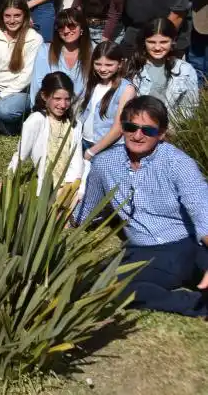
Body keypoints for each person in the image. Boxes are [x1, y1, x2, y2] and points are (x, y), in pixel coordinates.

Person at [73, 96, 208, 317]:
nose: (137, 135)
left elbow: (202, 208)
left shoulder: (177, 162)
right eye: (131, 127)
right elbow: (88, 211)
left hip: (189, 244)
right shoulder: (104, 164)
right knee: (99, 285)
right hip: (145, 251)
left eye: (148, 131)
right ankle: (194, 304)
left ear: (162, 134)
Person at [8, 70, 84, 195]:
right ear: (44, 96)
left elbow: (76, 158)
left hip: (69, 181)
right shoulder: (37, 120)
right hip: (48, 183)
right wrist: (8, 180)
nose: (63, 104)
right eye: (57, 99)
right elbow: (21, 154)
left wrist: (72, 184)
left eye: (67, 99)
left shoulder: (75, 125)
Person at [0, 0, 43, 134]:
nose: (12, 20)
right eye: (8, 16)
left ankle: (11, 124)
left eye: (17, 15)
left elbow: (27, 75)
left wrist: (4, 95)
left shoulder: (34, 39)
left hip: (19, 92)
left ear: (25, 16)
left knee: (4, 110)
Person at [129, 18, 199, 119]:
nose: (157, 48)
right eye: (151, 42)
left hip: (172, 127)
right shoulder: (135, 66)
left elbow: (189, 108)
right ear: (144, 42)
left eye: (164, 42)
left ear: (173, 41)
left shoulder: (185, 70)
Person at [80, 41, 134, 161]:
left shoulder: (126, 89)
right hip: (84, 141)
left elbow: (118, 128)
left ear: (120, 64)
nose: (102, 69)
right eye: (98, 64)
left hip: (109, 148)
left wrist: (92, 151)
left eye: (109, 65)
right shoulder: (91, 83)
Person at [28, 8, 91, 108]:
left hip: (81, 111)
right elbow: (38, 85)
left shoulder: (92, 52)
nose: (66, 31)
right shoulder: (45, 50)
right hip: (51, 109)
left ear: (82, 28)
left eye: (71, 26)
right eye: (61, 27)